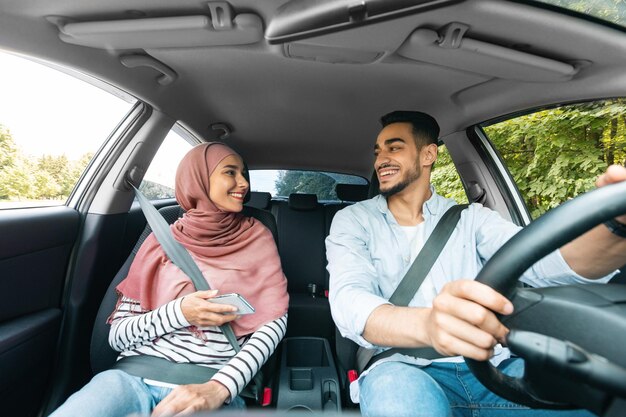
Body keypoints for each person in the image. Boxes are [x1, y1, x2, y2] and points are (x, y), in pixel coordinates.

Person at [326, 110, 626, 417]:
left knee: (594, 400)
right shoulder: (353, 220)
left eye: (394, 147)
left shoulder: (472, 219)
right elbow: (349, 298)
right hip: (401, 368)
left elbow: (543, 265)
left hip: (494, 368)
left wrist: (616, 227)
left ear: (428, 154)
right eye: (378, 151)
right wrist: (427, 326)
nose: (381, 159)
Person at [50, 142, 289, 417]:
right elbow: (116, 337)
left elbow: (273, 324)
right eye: (230, 172)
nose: (243, 183)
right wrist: (181, 312)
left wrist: (220, 387)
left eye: (244, 174)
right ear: (196, 178)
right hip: (128, 381)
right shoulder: (160, 240)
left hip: (211, 385)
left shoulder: (257, 236)